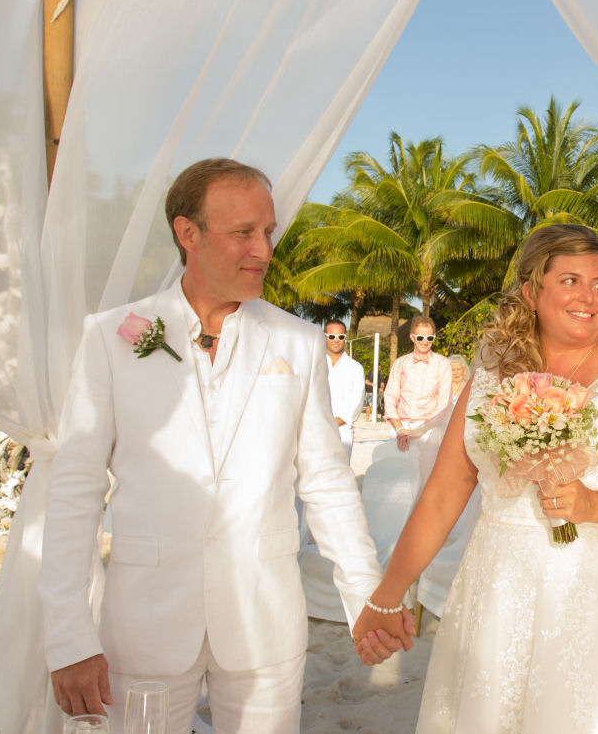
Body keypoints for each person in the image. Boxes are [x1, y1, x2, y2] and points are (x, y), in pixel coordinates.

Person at [38, 158, 405, 732]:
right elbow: (74, 492)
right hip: (144, 625)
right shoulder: (111, 337)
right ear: (188, 233)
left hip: (265, 623)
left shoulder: (298, 341)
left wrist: (363, 593)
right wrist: (68, 635)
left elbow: (328, 482)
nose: (263, 250)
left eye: (268, 231)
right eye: (243, 232)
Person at [352, 224, 598, 733]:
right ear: (531, 292)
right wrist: (386, 595)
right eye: (570, 280)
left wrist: (594, 506)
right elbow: (442, 496)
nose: (588, 297)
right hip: (498, 591)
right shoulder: (488, 379)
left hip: (596, 598)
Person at [384, 316, 452, 451]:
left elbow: (443, 404)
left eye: (430, 338)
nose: (425, 342)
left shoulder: (443, 364)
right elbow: (390, 396)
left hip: (428, 429)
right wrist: (399, 428)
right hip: (399, 427)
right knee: (395, 464)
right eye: (420, 338)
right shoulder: (400, 363)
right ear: (412, 337)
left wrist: (420, 430)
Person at [324, 319, 366, 460]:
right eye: (332, 336)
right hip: (315, 429)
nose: (336, 340)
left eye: (340, 336)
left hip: (342, 431)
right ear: (325, 337)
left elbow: (357, 403)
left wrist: (333, 422)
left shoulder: (355, 368)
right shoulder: (315, 364)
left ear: (345, 338)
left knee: (340, 471)